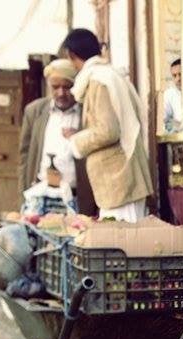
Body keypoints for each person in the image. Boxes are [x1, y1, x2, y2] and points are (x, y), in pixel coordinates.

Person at [61, 28, 153, 222]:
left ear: (71, 55)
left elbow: (108, 131)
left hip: (119, 181)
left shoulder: (99, 81)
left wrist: (75, 140)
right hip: (122, 180)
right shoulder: (109, 75)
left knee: (123, 245)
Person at [18, 58, 97, 217]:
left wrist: (80, 137)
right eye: (55, 87)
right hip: (41, 197)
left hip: (76, 198)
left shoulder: (87, 113)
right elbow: (24, 156)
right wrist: (23, 193)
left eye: (67, 87)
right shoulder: (34, 111)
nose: (61, 93)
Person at [163, 58, 183, 134]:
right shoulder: (169, 94)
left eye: (180, 74)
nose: (178, 79)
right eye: (174, 76)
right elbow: (163, 119)